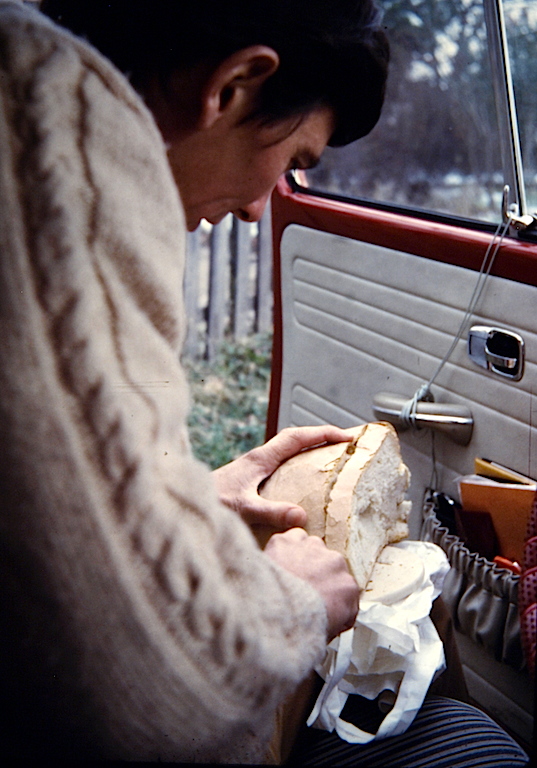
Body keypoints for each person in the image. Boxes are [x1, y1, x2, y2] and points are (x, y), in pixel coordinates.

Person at [0, 1, 529, 765]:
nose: (257, 210)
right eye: (288, 161)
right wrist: (293, 605)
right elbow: (141, 692)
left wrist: (189, 498)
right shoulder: (61, 168)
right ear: (235, 84)